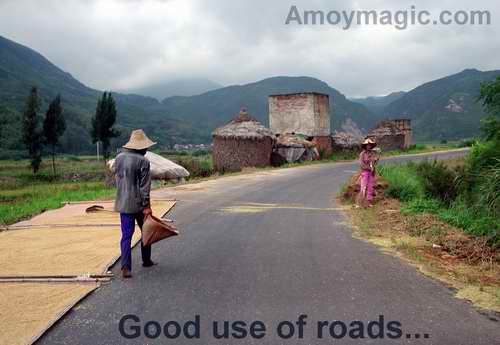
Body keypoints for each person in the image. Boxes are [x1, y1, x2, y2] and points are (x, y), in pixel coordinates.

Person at [114, 129, 157, 278]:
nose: (147, 149)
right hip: (138, 204)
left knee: (126, 235)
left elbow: (118, 180)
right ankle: (146, 260)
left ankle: (125, 267)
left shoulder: (118, 158)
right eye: (145, 147)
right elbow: (145, 187)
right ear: (141, 147)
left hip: (123, 203)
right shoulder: (143, 161)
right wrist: (147, 207)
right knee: (147, 230)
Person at [357, 138, 379, 208]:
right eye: (367, 145)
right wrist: (369, 168)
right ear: (365, 146)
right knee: (363, 186)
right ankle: (361, 202)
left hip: (371, 173)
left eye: (369, 145)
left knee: (370, 187)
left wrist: (375, 161)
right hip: (365, 172)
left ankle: (368, 202)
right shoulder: (362, 154)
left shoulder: (372, 153)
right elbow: (361, 164)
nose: (368, 146)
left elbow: (373, 163)